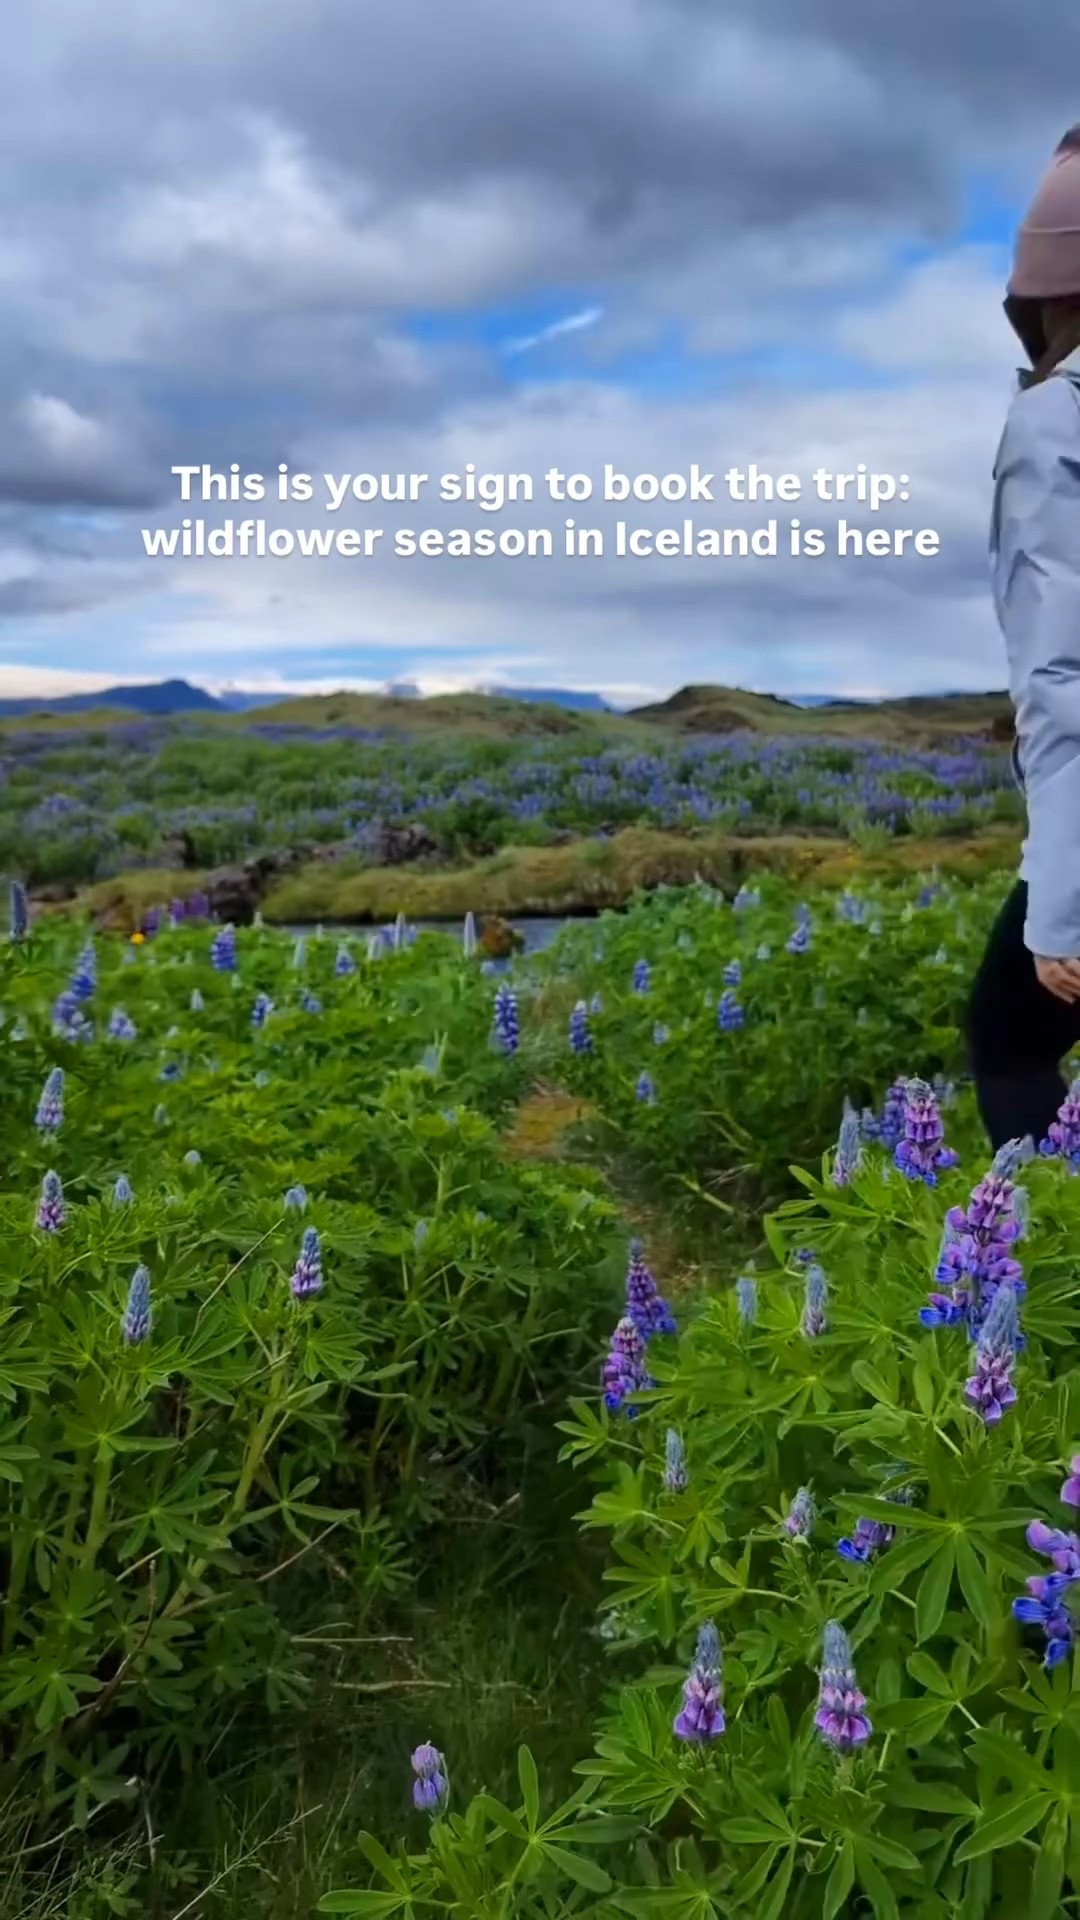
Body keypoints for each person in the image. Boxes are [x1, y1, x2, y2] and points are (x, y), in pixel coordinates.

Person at [971, 125, 1080, 1150]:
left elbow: (1063, 673)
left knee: (1008, 1038)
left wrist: (1062, 906)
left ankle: (1041, 1285)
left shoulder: (1056, 420)